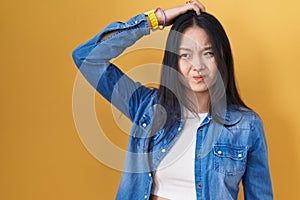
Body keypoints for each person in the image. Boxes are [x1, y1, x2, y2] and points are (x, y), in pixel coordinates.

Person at [72, 1, 273, 199]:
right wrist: (155, 19)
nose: (197, 65)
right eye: (186, 54)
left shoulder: (247, 126)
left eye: (208, 53)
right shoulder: (147, 108)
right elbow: (87, 57)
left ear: (222, 58)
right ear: (173, 60)